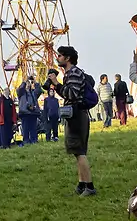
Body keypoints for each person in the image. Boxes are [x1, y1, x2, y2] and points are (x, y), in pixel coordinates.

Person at [51, 45, 97, 196]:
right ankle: (81, 184)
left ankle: (89, 186)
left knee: (79, 151)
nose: (57, 57)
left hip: (76, 115)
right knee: (77, 152)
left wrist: (57, 84)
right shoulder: (72, 73)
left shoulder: (74, 73)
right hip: (77, 115)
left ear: (67, 58)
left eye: (59, 55)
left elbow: (72, 94)